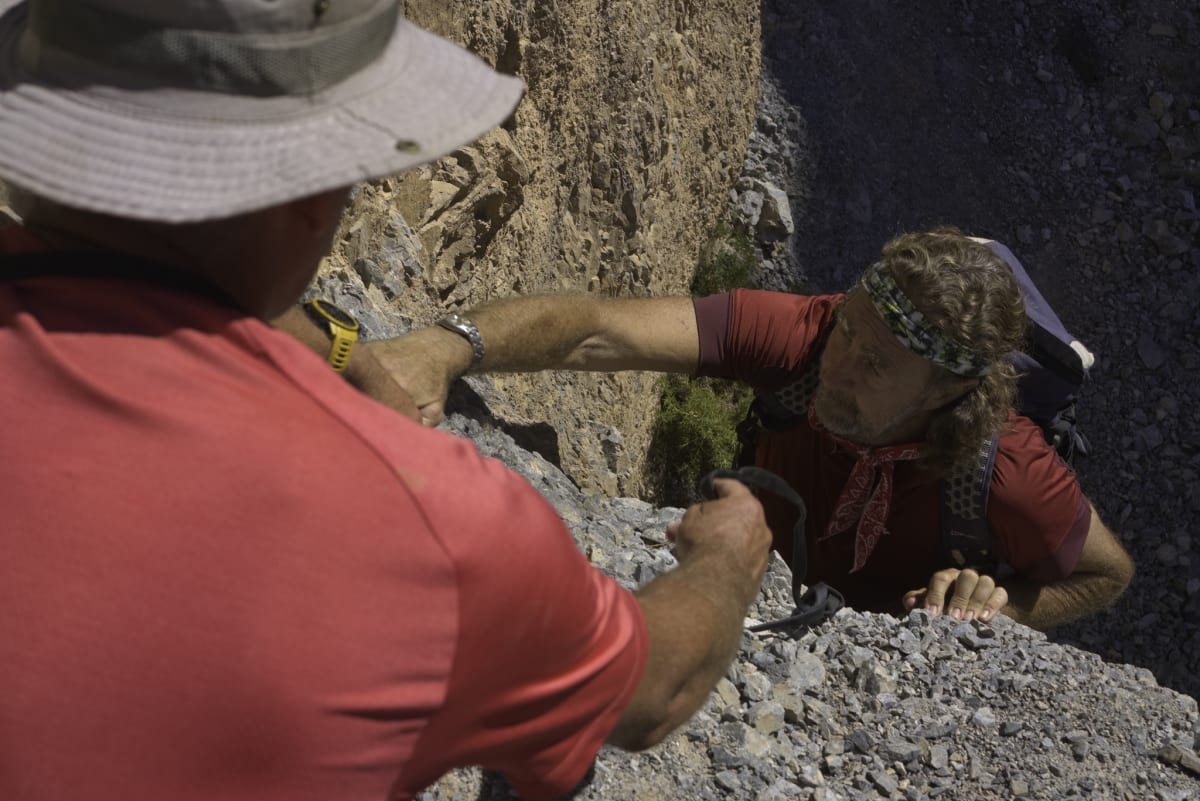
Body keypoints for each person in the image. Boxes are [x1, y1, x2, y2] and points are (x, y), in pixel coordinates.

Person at [0, 2, 774, 800]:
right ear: (314, 197)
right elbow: (653, 690)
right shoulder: (442, 528)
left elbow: (152, 275)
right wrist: (726, 556)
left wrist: (349, 354)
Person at [369, 228, 1135, 631]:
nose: (838, 366)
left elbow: (1108, 574)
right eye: (849, 330)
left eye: (875, 365)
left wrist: (1003, 604)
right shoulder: (806, 334)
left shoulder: (1007, 470)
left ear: (949, 390)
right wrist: (448, 345)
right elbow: (598, 328)